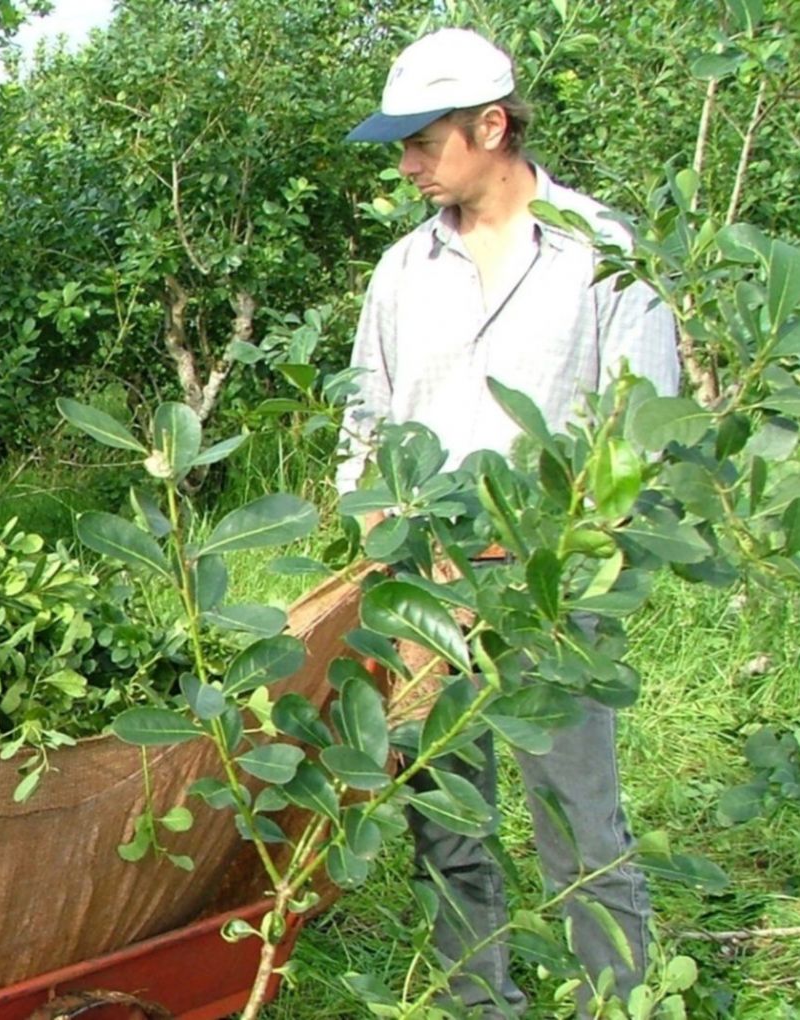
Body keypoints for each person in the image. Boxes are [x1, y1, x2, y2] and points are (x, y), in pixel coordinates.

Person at [335, 28, 680, 1018]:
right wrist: (384, 571)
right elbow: (365, 428)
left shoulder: (602, 253)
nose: (404, 165)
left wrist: (548, 557)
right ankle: (478, 1003)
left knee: (578, 820)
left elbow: (639, 435)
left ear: (492, 126)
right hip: (424, 594)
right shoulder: (402, 272)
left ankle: (613, 1002)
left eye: (422, 142)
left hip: (552, 595)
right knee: (447, 821)